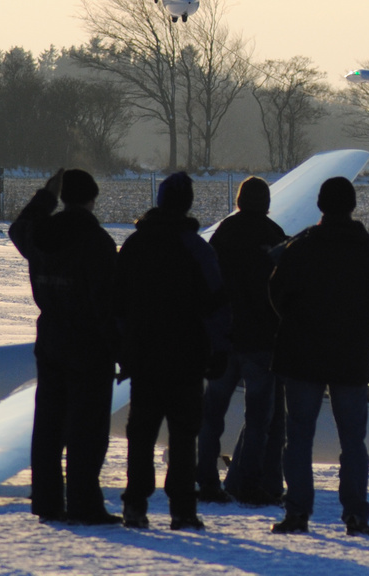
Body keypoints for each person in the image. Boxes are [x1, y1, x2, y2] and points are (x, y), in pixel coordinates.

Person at [267, 177, 369, 536]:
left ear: (320, 205)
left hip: (302, 354)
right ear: (352, 206)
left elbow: (277, 294)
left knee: (299, 437)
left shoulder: (300, 248)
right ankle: (355, 513)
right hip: (351, 357)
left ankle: (297, 513)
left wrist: (298, 321)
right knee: (353, 441)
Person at [115, 172, 230, 530]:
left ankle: (135, 505)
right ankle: (182, 510)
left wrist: (125, 349)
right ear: (187, 204)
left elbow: (117, 305)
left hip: (145, 358)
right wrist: (219, 350)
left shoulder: (135, 245)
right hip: (186, 359)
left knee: (141, 434)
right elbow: (215, 304)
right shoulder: (197, 248)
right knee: (183, 437)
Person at [8, 167, 121, 525]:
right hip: (88, 347)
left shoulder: (39, 234)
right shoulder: (98, 242)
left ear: (65, 198)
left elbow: (18, 227)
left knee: (48, 426)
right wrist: (121, 351)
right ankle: (84, 504)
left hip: (51, 339)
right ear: (91, 200)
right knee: (87, 431)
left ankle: (46, 499)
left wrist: (45, 196)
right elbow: (108, 305)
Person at [198, 175, 287, 507]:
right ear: (265, 203)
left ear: (239, 200)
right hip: (262, 342)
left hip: (224, 338)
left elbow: (208, 282)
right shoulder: (273, 236)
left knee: (212, 414)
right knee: (259, 419)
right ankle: (248, 483)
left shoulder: (222, 234)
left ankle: (205, 477)